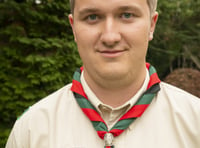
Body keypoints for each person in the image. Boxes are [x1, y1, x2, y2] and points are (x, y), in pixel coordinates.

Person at [6, 0, 200, 147]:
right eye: (92, 17)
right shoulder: (31, 130)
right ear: (73, 27)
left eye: (126, 15)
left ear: (152, 24)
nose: (110, 36)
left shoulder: (195, 122)